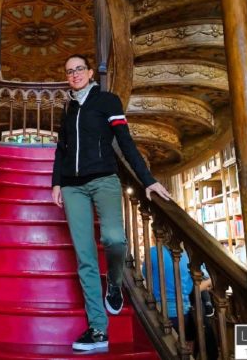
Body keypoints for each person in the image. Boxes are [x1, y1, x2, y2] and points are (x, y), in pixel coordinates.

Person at [51, 54, 171, 351]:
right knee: (86, 259)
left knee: (114, 239)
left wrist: (148, 180)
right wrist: (56, 182)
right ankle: (97, 329)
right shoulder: (67, 110)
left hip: (104, 180)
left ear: (90, 72)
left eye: (79, 69)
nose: (74, 74)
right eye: (69, 71)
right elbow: (61, 150)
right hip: (72, 188)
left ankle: (115, 283)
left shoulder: (108, 101)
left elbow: (126, 142)